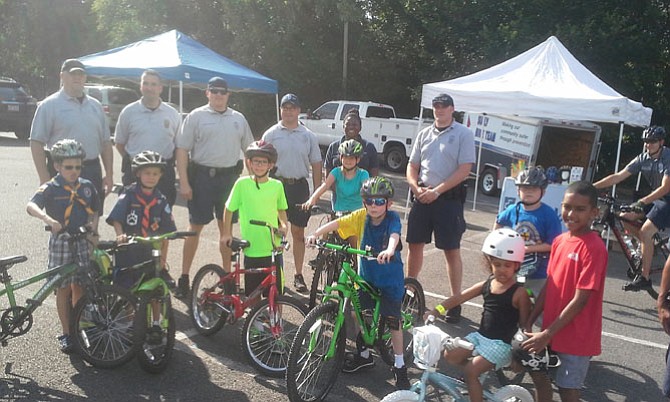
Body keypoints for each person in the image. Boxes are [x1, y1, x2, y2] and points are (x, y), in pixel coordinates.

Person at [305, 176, 409, 390]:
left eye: (379, 201)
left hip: (389, 279)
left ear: (388, 203)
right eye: (369, 201)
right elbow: (340, 223)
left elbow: (394, 236)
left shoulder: (392, 219)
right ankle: (364, 355)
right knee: (356, 311)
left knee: (392, 321)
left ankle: (399, 364)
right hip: (367, 276)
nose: (373, 205)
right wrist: (316, 233)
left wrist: (390, 250)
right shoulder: (362, 216)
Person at [522, 181, 608, 402]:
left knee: (568, 390)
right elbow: (550, 285)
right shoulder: (559, 241)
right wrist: (530, 320)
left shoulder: (594, 247)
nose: (571, 214)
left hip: (577, 337)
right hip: (550, 330)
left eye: (580, 209)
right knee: (541, 378)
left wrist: (547, 333)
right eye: (567, 207)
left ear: (594, 213)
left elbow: (581, 300)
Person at [425, 228, 531, 402]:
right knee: (450, 354)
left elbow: (525, 325)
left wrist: (519, 355)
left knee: (470, 372)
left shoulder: (519, 293)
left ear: (516, 265)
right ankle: (474, 379)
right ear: (489, 263)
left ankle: (473, 382)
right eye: (497, 264)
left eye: (507, 265)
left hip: (501, 345)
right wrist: (437, 311)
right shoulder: (487, 283)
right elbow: (460, 297)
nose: (502, 270)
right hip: (480, 337)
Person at [174, 77, 254, 298]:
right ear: (207, 93)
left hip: (228, 180)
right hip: (201, 178)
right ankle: (184, 277)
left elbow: (251, 150)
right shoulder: (196, 117)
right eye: (214, 91)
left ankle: (227, 279)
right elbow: (182, 150)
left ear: (228, 95)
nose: (219, 95)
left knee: (226, 231)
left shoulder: (238, 119)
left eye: (223, 92)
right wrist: (184, 181)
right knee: (194, 229)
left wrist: (252, 181)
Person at [405, 93, 476, 323]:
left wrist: (437, 191)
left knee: (450, 250)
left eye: (444, 106)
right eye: (436, 106)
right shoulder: (424, 133)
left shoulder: (463, 134)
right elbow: (412, 165)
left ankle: (455, 302)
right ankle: (409, 291)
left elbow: (465, 169)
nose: (440, 109)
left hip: (448, 201)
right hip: (422, 196)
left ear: (452, 109)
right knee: (414, 246)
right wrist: (416, 188)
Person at [26, 139, 100, 353]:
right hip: (61, 242)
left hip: (82, 241)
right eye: (68, 167)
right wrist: (48, 220)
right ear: (57, 166)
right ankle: (67, 333)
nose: (74, 171)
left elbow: (94, 209)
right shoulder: (50, 187)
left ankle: (79, 327)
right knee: (63, 288)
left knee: (80, 285)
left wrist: (93, 230)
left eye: (77, 166)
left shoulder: (86, 187)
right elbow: (31, 205)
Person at [29, 58, 113, 215]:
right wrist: (44, 177)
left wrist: (109, 174)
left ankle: (90, 240)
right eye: (73, 74)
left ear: (85, 78)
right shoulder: (49, 105)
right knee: (61, 222)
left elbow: (106, 143)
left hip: (91, 170)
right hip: (62, 171)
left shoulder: (96, 106)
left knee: (92, 220)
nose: (78, 77)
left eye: (81, 74)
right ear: (62, 76)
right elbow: (36, 143)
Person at [593, 125, 670, 291]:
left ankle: (645, 278)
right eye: (646, 141)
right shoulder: (643, 158)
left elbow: (665, 187)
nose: (648, 144)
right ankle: (646, 245)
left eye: (652, 141)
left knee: (645, 231)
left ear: (661, 142)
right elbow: (618, 176)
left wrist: (641, 202)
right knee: (625, 218)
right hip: (656, 199)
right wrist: (591, 187)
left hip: (667, 200)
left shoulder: (667, 157)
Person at [262, 93, 322, 294]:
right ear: (281, 110)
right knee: (276, 232)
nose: (288, 111)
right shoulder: (270, 134)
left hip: (299, 188)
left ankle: (298, 274)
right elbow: (260, 161)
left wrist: (315, 195)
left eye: (292, 107)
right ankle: (275, 274)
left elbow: (316, 164)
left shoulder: (308, 135)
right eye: (285, 107)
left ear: (299, 110)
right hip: (276, 187)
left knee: (298, 233)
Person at [221, 141, 288, 299]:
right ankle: (255, 322)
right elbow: (229, 209)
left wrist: (284, 228)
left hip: (273, 247)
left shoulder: (277, 186)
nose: (259, 166)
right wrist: (226, 233)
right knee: (253, 293)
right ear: (249, 163)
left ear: (270, 165)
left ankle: (275, 323)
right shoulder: (242, 184)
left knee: (276, 293)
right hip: (252, 248)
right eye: (256, 161)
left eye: (263, 162)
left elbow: (282, 213)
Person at [105, 151, 177, 287]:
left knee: (155, 288)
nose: (151, 177)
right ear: (138, 174)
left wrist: (163, 258)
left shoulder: (161, 200)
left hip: (150, 250)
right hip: (129, 249)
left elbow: (166, 234)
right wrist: (120, 234)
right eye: (147, 173)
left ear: (161, 175)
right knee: (125, 288)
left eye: (155, 174)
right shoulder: (129, 194)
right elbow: (116, 218)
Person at [114, 69, 181, 206]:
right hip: (135, 173)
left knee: (163, 219)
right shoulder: (128, 112)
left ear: (160, 88)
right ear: (140, 86)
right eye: (146, 83)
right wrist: (136, 162)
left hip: (163, 174)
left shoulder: (173, 114)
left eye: (153, 84)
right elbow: (120, 143)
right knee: (130, 217)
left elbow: (179, 147)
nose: (149, 88)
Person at [495, 166, 563, 297]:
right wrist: (497, 241)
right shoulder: (513, 209)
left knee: (534, 303)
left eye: (533, 188)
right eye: (525, 188)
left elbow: (553, 245)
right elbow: (499, 221)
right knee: (513, 301)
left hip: (539, 273)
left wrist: (527, 249)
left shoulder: (549, 215)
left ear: (543, 192)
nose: (529, 192)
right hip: (515, 268)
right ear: (517, 190)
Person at [302, 139, 369, 213]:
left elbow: (368, 192)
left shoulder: (363, 174)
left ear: (358, 159)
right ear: (341, 157)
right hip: (339, 213)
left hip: (357, 214)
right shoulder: (336, 172)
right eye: (345, 157)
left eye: (351, 158)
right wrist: (312, 199)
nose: (348, 161)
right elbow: (325, 186)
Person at [324, 109, 379, 177]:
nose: (351, 127)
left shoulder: (369, 147)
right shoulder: (333, 147)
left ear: (360, 127)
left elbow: (374, 175)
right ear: (343, 126)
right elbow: (328, 175)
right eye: (348, 124)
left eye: (354, 124)